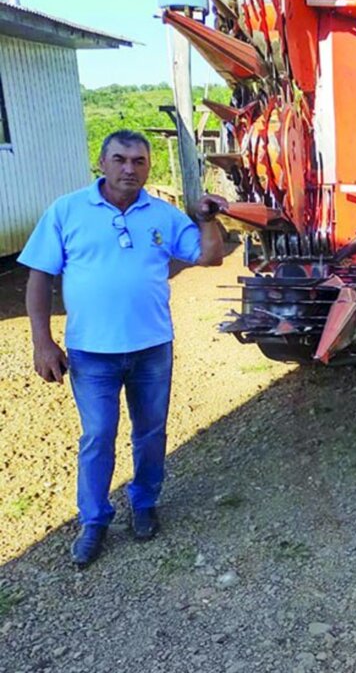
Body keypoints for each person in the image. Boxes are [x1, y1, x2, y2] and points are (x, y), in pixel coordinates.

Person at [19, 130, 228, 568]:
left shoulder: (163, 215)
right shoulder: (67, 211)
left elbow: (210, 257)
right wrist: (42, 342)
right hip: (92, 353)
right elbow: (39, 277)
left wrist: (205, 218)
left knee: (151, 432)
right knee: (98, 435)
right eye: (120, 159)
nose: (129, 169)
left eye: (139, 161)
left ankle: (144, 503)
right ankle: (94, 521)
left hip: (152, 347)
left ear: (149, 167)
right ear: (102, 161)